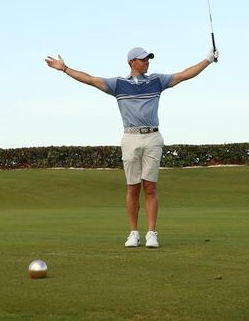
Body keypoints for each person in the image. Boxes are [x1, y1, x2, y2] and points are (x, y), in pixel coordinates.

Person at [45, 46, 218, 248]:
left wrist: (208, 59)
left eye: (148, 59)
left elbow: (184, 75)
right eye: (143, 59)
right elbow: (90, 79)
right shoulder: (118, 84)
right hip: (130, 138)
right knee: (133, 187)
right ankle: (134, 233)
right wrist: (65, 68)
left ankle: (152, 233)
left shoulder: (156, 81)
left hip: (152, 137)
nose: (147, 62)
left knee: (150, 187)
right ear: (131, 62)